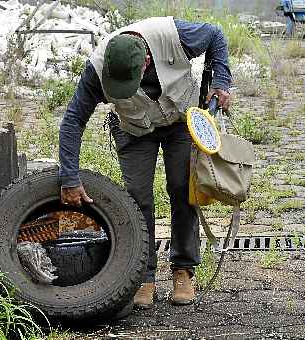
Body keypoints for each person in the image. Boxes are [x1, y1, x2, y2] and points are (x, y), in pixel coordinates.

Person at [58, 16, 232, 309]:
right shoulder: (97, 68)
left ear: (146, 61)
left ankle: (183, 269)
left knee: (182, 190)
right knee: (137, 199)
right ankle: (143, 275)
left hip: (180, 120)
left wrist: (221, 82)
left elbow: (216, 34)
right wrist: (69, 178)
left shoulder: (175, 35)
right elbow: (74, 119)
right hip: (134, 128)